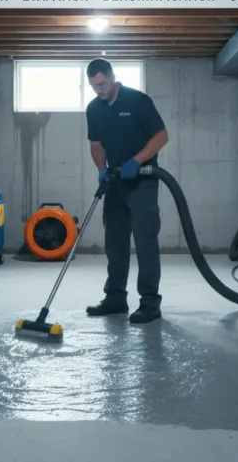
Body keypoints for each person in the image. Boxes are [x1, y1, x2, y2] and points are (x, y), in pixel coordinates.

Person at [83, 58, 170, 324]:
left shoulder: (137, 101)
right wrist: (101, 169)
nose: (99, 89)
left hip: (142, 180)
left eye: (102, 83)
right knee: (115, 242)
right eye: (94, 86)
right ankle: (116, 299)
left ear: (111, 76)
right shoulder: (94, 109)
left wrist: (137, 160)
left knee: (145, 242)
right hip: (115, 182)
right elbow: (96, 143)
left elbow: (161, 136)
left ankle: (150, 304)